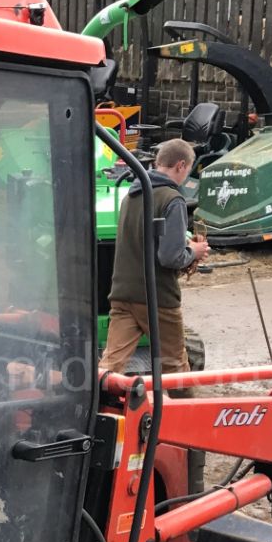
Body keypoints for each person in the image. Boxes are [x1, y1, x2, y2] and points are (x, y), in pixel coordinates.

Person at [101, 137, 210, 376]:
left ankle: (96, 407)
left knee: (111, 367)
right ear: (181, 165)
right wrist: (194, 251)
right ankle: (186, 413)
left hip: (122, 294)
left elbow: (143, 242)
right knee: (175, 368)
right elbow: (170, 257)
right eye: (188, 169)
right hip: (157, 299)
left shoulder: (130, 197)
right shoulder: (173, 199)